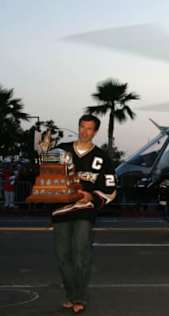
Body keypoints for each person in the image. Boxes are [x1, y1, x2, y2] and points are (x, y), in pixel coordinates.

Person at [51, 114, 116, 314]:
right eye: (81, 127)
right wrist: (42, 150)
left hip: (84, 212)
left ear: (95, 132)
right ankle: (71, 295)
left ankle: (79, 297)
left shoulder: (102, 157)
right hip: (61, 210)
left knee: (80, 255)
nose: (84, 131)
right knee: (63, 257)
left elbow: (111, 190)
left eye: (89, 128)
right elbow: (44, 171)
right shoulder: (61, 150)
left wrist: (92, 197)